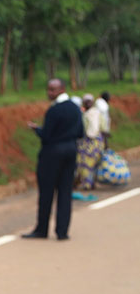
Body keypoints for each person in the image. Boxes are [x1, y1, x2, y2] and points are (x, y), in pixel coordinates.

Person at [23, 78, 84, 241]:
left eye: (52, 89)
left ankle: (42, 229)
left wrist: (36, 129)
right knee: (65, 191)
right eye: (49, 89)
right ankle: (62, 231)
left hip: (52, 153)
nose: (49, 92)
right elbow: (80, 132)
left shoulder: (54, 110)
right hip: (71, 150)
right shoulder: (75, 108)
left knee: (47, 192)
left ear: (61, 89)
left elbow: (46, 135)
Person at [76, 94, 106, 190]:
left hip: (92, 143)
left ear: (92, 102)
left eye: (89, 101)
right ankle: (88, 183)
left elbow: (103, 128)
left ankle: (89, 183)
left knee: (90, 163)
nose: (88, 103)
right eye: (86, 101)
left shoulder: (89, 114)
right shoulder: (88, 114)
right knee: (86, 163)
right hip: (88, 142)